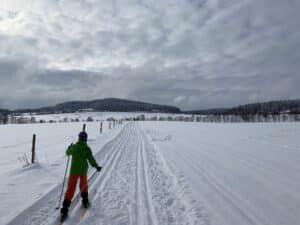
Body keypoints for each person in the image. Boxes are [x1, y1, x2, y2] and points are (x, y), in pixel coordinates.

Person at [60, 131, 102, 219]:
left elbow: (67, 153)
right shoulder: (87, 148)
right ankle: (85, 201)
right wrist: (96, 166)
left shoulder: (74, 147)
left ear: (79, 138)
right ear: (86, 139)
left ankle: (64, 210)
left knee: (70, 189)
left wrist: (69, 147)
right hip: (83, 171)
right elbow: (91, 159)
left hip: (74, 171)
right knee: (83, 186)